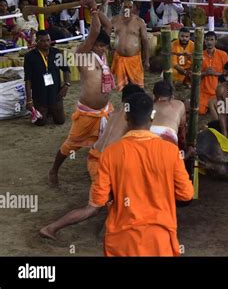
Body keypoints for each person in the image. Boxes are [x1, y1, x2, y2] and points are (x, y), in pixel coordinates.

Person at [89, 92, 194, 256]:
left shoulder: (110, 153)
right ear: (152, 117)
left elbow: (99, 199)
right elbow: (186, 194)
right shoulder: (170, 151)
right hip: (160, 238)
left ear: (126, 119)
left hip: (122, 239)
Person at [39, 84, 145, 240]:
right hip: (105, 161)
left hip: (96, 157)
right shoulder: (129, 118)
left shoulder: (113, 112)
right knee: (94, 207)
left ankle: (109, 224)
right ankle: (51, 228)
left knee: (110, 199)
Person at [48, 0, 114, 187]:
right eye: (100, 46)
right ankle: (54, 170)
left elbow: (106, 26)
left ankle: (101, 169)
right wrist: (92, 10)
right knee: (71, 145)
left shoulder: (103, 54)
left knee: (107, 141)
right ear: (91, 44)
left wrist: (97, 9)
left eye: (105, 46)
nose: (103, 49)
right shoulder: (82, 54)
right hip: (87, 111)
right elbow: (94, 32)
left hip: (105, 109)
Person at [24, 30, 70, 126]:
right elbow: (27, 79)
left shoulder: (57, 53)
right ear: (36, 41)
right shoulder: (29, 57)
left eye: (48, 40)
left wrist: (66, 85)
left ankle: (51, 110)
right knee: (40, 122)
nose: (46, 43)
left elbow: (66, 70)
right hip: (39, 95)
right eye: (42, 41)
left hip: (56, 93)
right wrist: (29, 100)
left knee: (60, 121)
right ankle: (44, 110)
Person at [111, 0, 150, 91]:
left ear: (133, 8)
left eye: (130, 7)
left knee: (136, 87)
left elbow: (145, 41)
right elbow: (104, 30)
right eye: (125, 6)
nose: (127, 9)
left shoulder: (139, 21)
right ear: (121, 7)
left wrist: (147, 59)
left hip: (134, 59)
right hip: (119, 57)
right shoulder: (114, 20)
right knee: (122, 89)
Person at [200, 31, 228, 118]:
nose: (209, 42)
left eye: (212, 40)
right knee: (200, 111)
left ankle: (211, 105)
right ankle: (208, 105)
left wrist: (215, 73)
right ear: (204, 41)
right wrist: (205, 73)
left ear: (216, 41)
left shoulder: (223, 55)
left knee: (223, 110)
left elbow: (227, 73)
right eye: (207, 40)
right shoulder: (199, 55)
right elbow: (195, 74)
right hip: (203, 90)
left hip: (218, 90)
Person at [150, 81, 186, 148]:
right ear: (172, 97)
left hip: (148, 137)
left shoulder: (148, 106)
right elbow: (182, 128)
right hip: (169, 138)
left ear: (153, 96)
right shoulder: (179, 105)